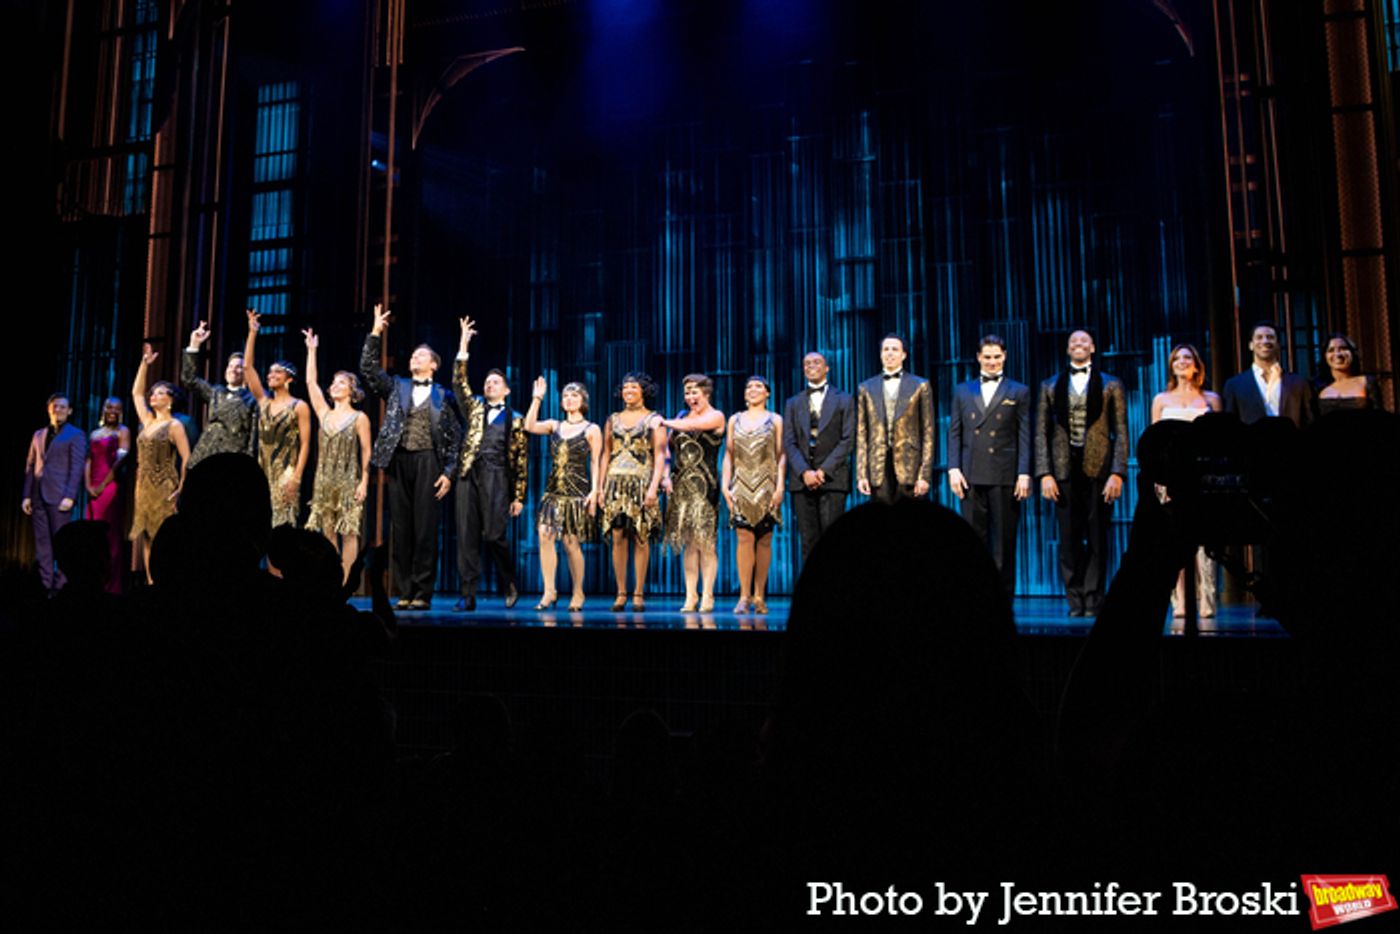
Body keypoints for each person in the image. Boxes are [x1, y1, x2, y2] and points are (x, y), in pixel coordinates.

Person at [361, 303, 462, 610]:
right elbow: (367, 369)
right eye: (413, 355)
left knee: (425, 529)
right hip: (399, 458)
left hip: (430, 460)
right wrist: (376, 331)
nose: (414, 358)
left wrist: (449, 471)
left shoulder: (444, 396)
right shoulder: (397, 386)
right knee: (401, 528)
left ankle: (422, 592)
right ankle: (404, 590)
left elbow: (456, 437)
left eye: (422, 355)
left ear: (433, 365)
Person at [1034, 329, 1129, 617]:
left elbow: (1121, 431)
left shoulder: (1111, 384)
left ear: (1093, 347)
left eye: (1084, 341)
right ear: (1067, 349)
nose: (1079, 344)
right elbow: (1041, 432)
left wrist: (1118, 472)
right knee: (1069, 539)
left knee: (1099, 537)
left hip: (1098, 469)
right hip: (1063, 470)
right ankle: (1075, 599)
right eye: (1074, 341)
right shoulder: (1050, 385)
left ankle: (1094, 598)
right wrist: (1044, 474)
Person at [451, 316, 526, 612]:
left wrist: (518, 495)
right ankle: (468, 594)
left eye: (495, 382)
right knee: (467, 535)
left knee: (494, 535)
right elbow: (459, 383)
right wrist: (464, 345)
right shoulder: (475, 408)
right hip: (470, 473)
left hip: (497, 476)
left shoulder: (515, 419)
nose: (489, 385)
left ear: (506, 390)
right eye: (487, 382)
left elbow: (521, 460)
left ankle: (509, 580)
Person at [947, 335, 1031, 597]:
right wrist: (953, 468)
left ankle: (1002, 598)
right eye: (987, 357)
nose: (992, 361)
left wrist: (1024, 472)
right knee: (973, 540)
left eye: (997, 356)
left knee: (1004, 542)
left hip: (1005, 474)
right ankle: (975, 595)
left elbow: (1025, 435)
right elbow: (954, 433)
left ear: (1004, 356)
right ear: (978, 357)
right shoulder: (963, 390)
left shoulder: (1019, 391)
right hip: (970, 474)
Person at [1149, 343, 1222, 619]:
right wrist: (1157, 477)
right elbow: (1153, 443)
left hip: (1204, 475)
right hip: (1170, 476)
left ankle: (1207, 597)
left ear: (1196, 364)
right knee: (1174, 538)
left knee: (1204, 540)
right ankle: (1179, 599)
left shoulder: (1211, 399)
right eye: (1177, 358)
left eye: (1187, 357)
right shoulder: (1161, 400)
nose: (1181, 361)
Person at [524, 375, 601, 611]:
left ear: (583, 400)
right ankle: (549, 591)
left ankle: (578, 592)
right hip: (553, 492)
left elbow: (596, 462)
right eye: (566, 396)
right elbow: (529, 426)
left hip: (577, 492)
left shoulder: (591, 428)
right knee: (544, 536)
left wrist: (595, 492)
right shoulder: (554, 425)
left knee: (570, 543)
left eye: (574, 395)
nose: (569, 399)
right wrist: (537, 399)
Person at [302, 329, 372, 585]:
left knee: (349, 532)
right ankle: (332, 579)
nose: (334, 385)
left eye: (341, 382)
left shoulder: (359, 418)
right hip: (324, 479)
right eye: (333, 382)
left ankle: (347, 582)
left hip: (348, 480)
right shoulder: (324, 413)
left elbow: (366, 451)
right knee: (328, 531)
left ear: (352, 390)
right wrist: (312, 351)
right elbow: (311, 383)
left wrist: (364, 481)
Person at [598, 372, 666, 611]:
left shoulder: (653, 419)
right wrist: (599, 487)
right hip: (615, 482)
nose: (628, 391)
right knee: (617, 536)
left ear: (643, 391)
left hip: (641, 482)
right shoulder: (612, 419)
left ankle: (638, 592)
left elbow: (660, 455)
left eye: (633, 387)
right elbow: (605, 454)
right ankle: (621, 592)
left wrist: (653, 487)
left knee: (640, 536)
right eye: (625, 387)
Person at [781, 351, 853, 571]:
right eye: (807, 363)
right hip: (802, 481)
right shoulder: (793, 403)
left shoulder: (844, 399)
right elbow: (789, 441)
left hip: (833, 478)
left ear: (827, 368)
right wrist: (805, 472)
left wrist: (823, 471)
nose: (811, 366)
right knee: (808, 540)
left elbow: (848, 438)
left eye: (816, 362)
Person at [660, 374, 726, 613]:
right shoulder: (679, 416)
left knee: (706, 542)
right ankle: (691, 595)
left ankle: (708, 594)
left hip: (706, 485)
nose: (690, 397)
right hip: (681, 486)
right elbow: (667, 449)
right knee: (689, 544)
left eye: (694, 392)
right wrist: (666, 474)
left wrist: (663, 421)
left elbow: (692, 427)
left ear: (706, 393)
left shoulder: (716, 416)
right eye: (687, 393)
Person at [129, 343, 190, 583]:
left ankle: (167, 582)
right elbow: (136, 394)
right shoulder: (147, 421)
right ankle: (151, 582)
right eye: (152, 393)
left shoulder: (174, 425)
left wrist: (182, 485)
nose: (153, 396)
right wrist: (144, 365)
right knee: (147, 536)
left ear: (171, 400)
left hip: (165, 486)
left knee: (164, 536)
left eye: (160, 393)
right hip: (143, 485)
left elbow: (186, 457)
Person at [242, 311, 310, 529]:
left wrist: (296, 478)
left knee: (281, 530)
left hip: (286, 473)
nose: (270, 375)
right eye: (269, 372)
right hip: (262, 474)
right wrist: (253, 332)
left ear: (289, 379)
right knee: (259, 527)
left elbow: (306, 444)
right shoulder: (264, 402)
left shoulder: (299, 406)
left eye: (277, 372)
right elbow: (247, 368)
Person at [724, 376, 785, 614]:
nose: (753, 389)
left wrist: (779, 487)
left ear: (767, 393)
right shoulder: (734, 419)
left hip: (766, 484)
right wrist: (725, 485)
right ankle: (744, 596)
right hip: (741, 484)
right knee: (743, 538)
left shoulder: (775, 419)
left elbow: (781, 456)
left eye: (758, 386)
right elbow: (729, 454)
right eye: (749, 386)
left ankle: (760, 595)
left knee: (765, 539)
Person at [855, 334, 934, 504]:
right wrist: (861, 474)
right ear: (881, 354)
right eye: (886, 349)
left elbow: (928, 433)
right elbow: (862, 434)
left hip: (909, 464)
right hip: (878, 464)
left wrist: (924, 475)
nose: (890, 353)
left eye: (895, 349)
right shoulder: (866, 387)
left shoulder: (920, 385)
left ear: (903, 355)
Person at [22, 392, 88, 592]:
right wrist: (26, 495)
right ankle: (45, 585)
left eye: (61, 407)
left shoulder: (76, 434)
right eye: (54, 406)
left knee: (61, 543)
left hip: (59, 496)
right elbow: (30, 466)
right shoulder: (38, 435)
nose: (57, 410)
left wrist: (70, 495)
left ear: (69, 411)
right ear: (48, 409)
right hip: (37, 495)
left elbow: (77, 467)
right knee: (42, 544)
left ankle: (61, 586)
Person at [181, 318, 257, 467]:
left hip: (232, 460)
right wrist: (194, 344)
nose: (233, 370)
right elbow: (189, 379)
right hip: (206, 456)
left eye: (238, 367)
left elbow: (253, 437)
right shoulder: (216, 392)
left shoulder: (252, 400)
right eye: (230, 366)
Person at [1221, 321, 1313, 427]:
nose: (1265, 341)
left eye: (1270, 337)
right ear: (1250, 345)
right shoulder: (1234, 385)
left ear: (1278, 345)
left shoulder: (1299, 383)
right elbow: (1230, 425)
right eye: (1259, 337)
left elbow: (1309, 421)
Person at [84, 397, 130, 593]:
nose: (112, 410)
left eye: (117, 408)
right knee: (91, 535)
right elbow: (88, 461)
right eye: (109, 407)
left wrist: (102, 485)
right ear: (103, 409)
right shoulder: (94, 433)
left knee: (108, 535)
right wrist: (87, 486)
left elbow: (120, 461)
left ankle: (111, 586)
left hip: (110, 487)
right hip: (92, 488)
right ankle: (92, 581)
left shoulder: (123, 431)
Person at [1315, 333, 1380, 414]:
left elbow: (1379, 417)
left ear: (1353, 353)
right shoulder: (1318, 388)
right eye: (1331, 350)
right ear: (1324, 356)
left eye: (1343, 348)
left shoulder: (1367, 382)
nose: (1338, 354)